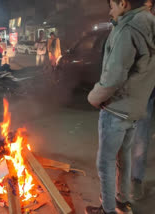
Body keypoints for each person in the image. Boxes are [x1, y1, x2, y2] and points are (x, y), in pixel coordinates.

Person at [86, 0, 155, 214]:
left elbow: (113, 77)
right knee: (123, 158)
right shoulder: (151, 22)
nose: (110, 11)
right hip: (135, 107)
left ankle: (107, 210)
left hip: (116, 108)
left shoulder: (128, 29)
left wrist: (94, 98)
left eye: (112, 5)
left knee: (105, 163)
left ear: (123, 3)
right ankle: (123, 202)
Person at [131, 0, 155, 201]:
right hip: (145, 90)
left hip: (148, 88)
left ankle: (135, 182)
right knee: (141, 134)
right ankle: (136, 181)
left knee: (141, 135)